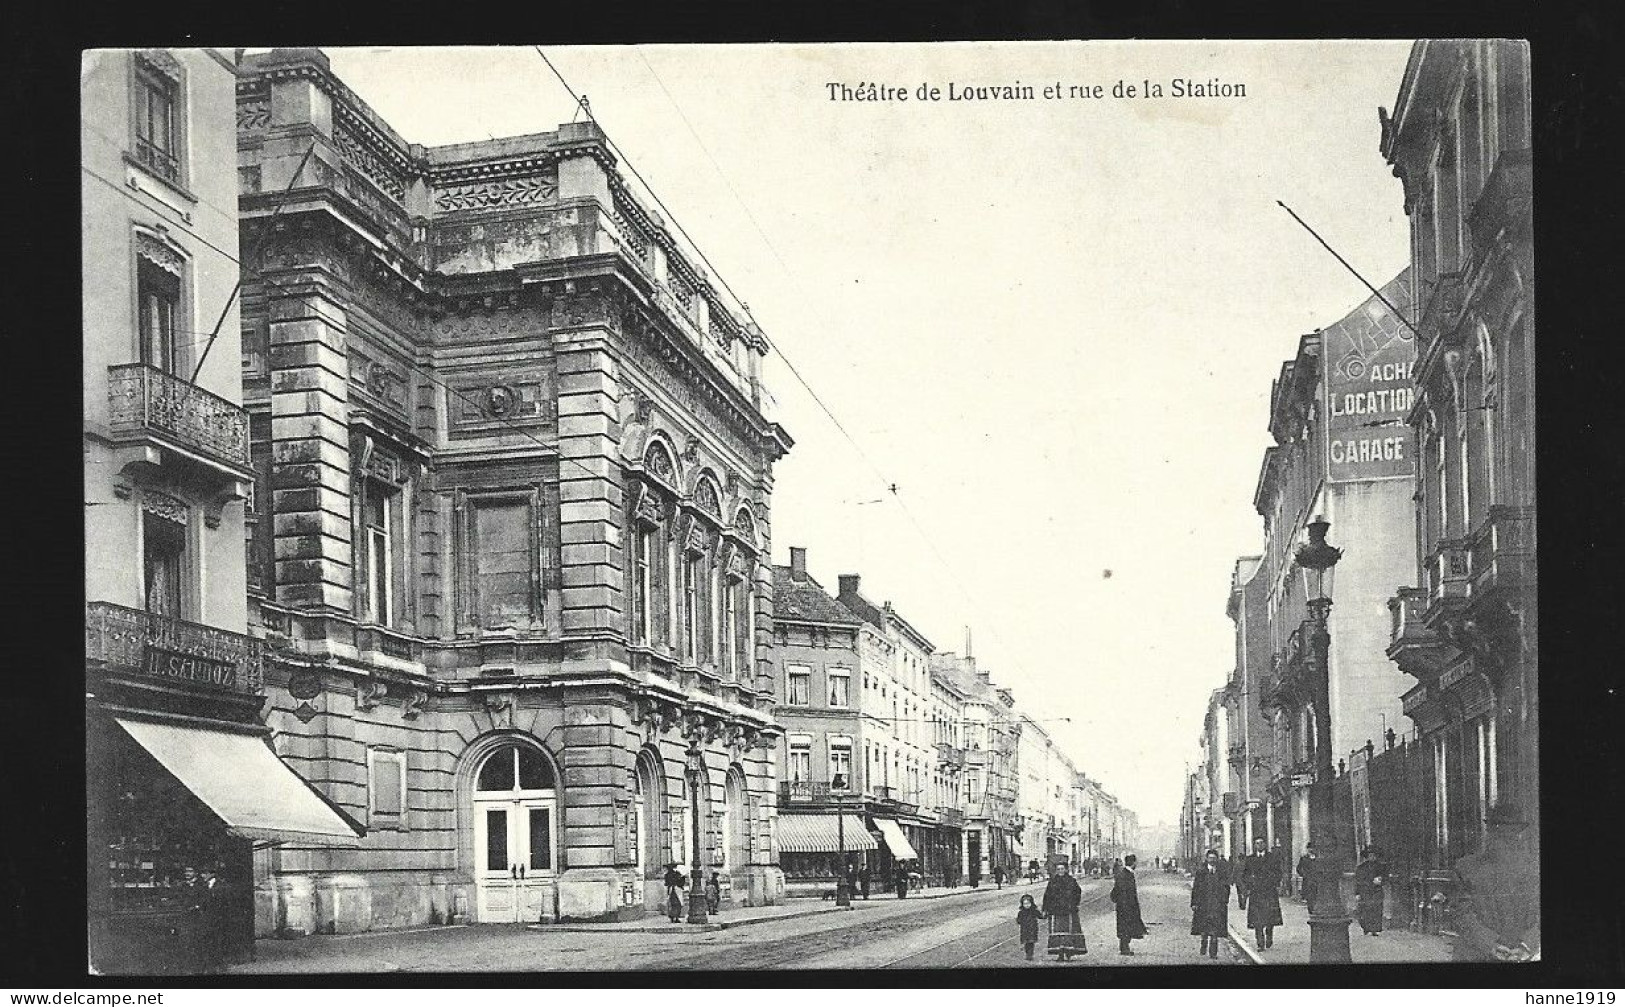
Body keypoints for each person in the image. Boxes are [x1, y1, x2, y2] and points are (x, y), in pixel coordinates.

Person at [1450, 803, 1541, 962]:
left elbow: (1462, 915)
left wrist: (1523, 945)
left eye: (1509, 832)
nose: (1505, 837)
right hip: (1486, 954)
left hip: (1484, 953)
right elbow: (1461, 914)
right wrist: (1524, 946)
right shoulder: (1464, 868)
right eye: (1500, 831)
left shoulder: (1465, 867)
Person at [1238, 836, 1283, 950]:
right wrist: (1249, 884)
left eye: (1262, 843)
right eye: (1257, 843)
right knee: (1257, 920)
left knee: (1270, 918)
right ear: (1254, 845)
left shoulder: (1272, 858)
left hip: (1269, 891)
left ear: (1265, 845)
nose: (1259, 845)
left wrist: (1274, 882)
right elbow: (1244, 875)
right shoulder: (1250, 859)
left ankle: (1269, 935)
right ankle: (1260, 942)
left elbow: (1278, 873)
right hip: (1256, 892)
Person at [1191, 849, 1232, 960]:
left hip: (1217, 905)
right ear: (1207, 859)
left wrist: (1225, 900)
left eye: (1214, 858)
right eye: (1210, 858)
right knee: (1204, 929)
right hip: (1204, 905)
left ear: (1217, 859)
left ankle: (1213, 952)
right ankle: (1204, 943)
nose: (1212, 860)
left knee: (1215, 930)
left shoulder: (1222, 872)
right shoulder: (1201, 872)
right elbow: (1196, 888)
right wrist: (1194, 903)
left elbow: (1226, 887)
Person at [1041, 861, 1084, 961]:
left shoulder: (1071, 881)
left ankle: (1069, 953)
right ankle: (1060, 953)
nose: (1060, 871)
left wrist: (1074, 903)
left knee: (1069, 931)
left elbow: (1078, 892)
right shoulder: (1052, 882)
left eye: (1062, 869)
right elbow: (1047, 895)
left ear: (1066, 869)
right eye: (1058, 869)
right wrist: (1045, 908)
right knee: (1057, 932)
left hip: (1068, 911)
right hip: (1055, 911)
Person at [1110, 854, 1148, 955]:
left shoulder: (1124, 873)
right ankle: (1124, 949)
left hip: (1125, 906)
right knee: (1125, 927)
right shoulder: (1126, 875)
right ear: (1133, 863)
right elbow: (1121, 892)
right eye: (1136, 862)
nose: (1136, 864)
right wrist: (1126, 905)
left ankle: (1124, 947)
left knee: (1126, 927)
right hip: (1126, 907)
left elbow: (1114, 893)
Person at [1354, 847, 1388, 935]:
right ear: (1367, 857)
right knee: (1365, 909)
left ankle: (1374, 929)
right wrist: (1357, 893)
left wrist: (1380, 879)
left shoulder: (1381, 867)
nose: (1372, 857)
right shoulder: (1361, 868)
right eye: (1370, 855)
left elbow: (1385, 878)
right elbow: (1357, 881)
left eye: (1374, 855)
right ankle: (1366, 927)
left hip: (1376, 891)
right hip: (1365, 891)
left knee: (1376, 909)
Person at [1016, 893, 1043, 961]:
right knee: (1026, 942)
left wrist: (1044, 915)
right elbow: (1018, 920)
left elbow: (1040, 916)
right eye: (1025, 904)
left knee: (1031, 942)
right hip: (1024, 929)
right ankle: (1027, 954)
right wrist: (1019, 921)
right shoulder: (1021, 912)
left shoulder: (1034, 911)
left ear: (1031, 903)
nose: (1027, 905)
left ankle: (1030, 955)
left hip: (1032, 928)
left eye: (1028, 903)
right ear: (1022, 904)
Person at [1295, 842, 1319, 906]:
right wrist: (1304, 874)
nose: (1311, 850)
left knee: (1316, 896)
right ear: (1307, 849)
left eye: (1312, 848)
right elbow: (1298, 868)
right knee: (1309, 897)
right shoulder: (1304, 858)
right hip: (1307, 881)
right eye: (1309, 848)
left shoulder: (1318, 858)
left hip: (1316, 880)